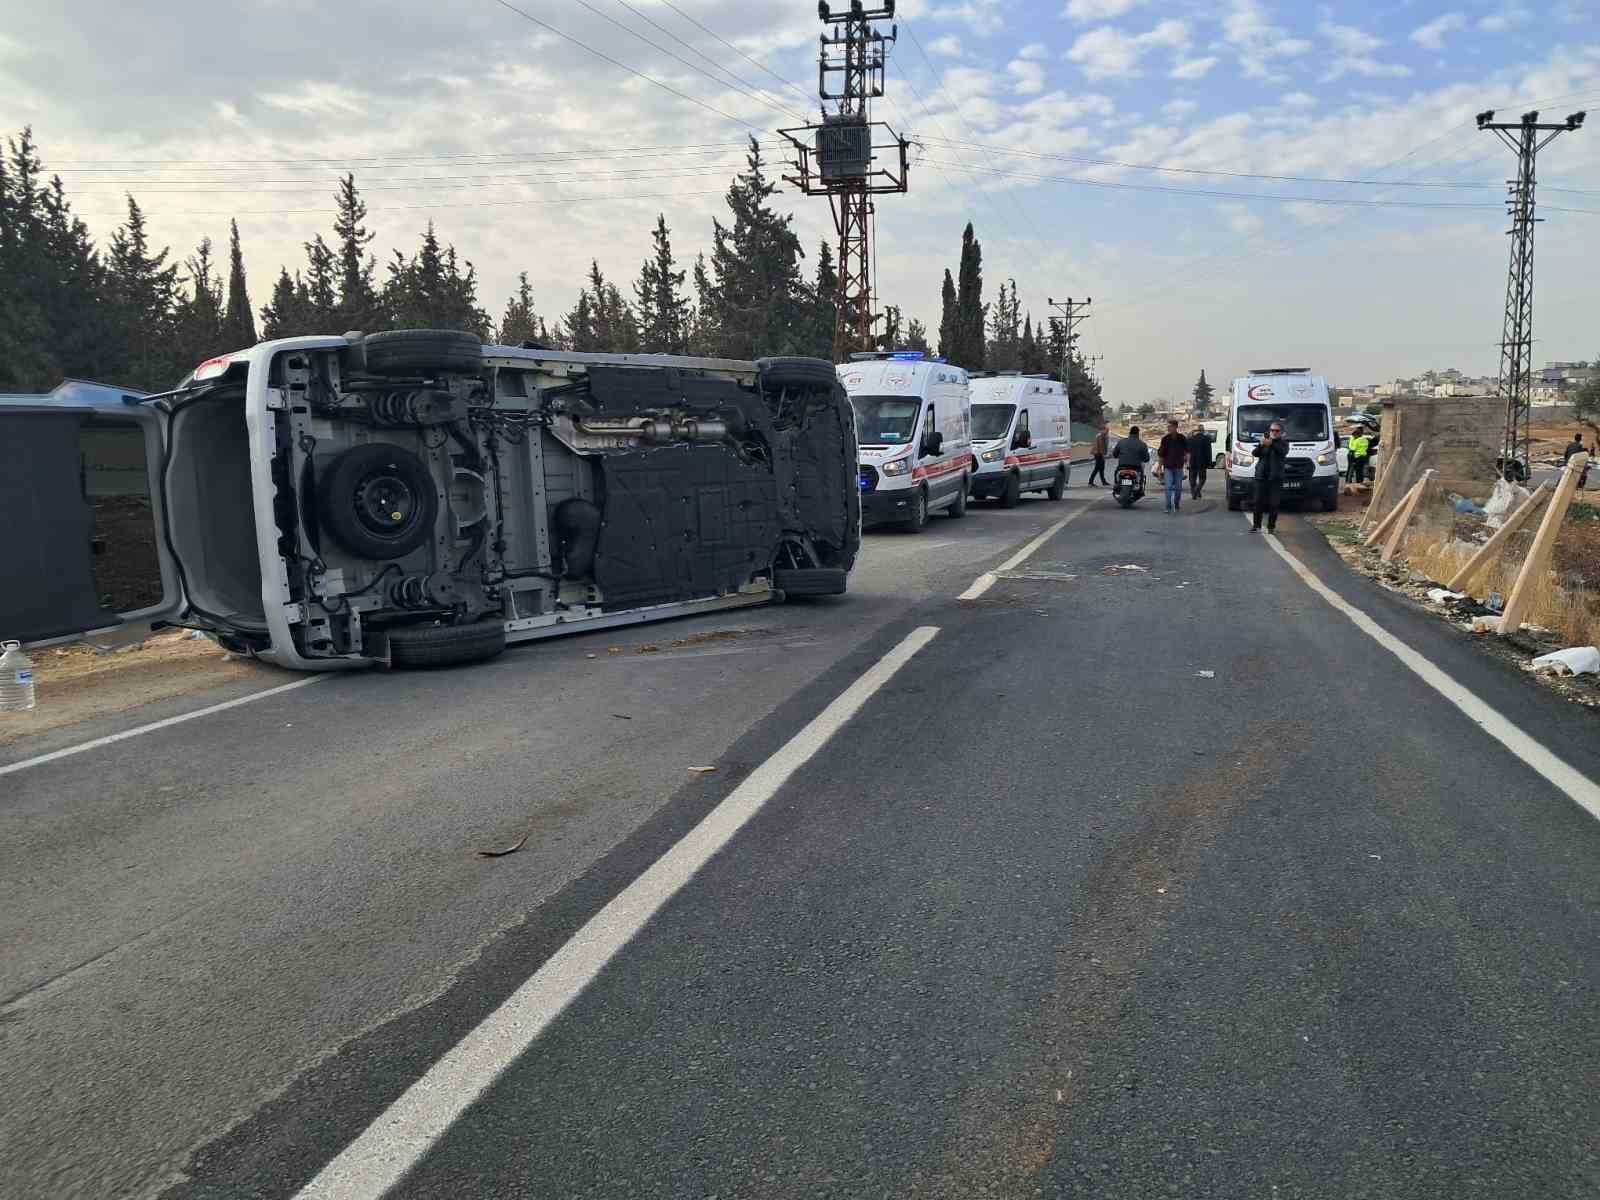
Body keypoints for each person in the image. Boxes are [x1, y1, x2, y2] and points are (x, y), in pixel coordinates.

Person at [1250, 421, 1289, 533]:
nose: (1274, 432)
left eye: (1276, 431)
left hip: (1275, 478)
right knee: (1257, 502)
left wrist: (1271, 444)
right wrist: (1262, 445)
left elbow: (1283, 452)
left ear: (1281, 432)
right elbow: (1255, 453)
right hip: (1261, 477)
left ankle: (1271, 527)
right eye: (1272, 430)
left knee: (1274, 504)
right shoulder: (1264, 442)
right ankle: (1256, 525)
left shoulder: (1283, 443)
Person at [1157, 418, 1188, 512]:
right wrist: (1159, 467)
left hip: (1179, 467)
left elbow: (1187, 452)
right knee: (1168, 487)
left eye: (1170, 426)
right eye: (1168, 426)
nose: (1168, 428)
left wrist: (1187, 463)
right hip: (1168, 467)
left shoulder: (1182, 438)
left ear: (1175, 427)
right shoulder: (1165, 439)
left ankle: (1177, 503)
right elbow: (1161, 454)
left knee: (1178, 488)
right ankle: (1168, 506)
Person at [1186, 423, 1213, 500]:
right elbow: (1209, 452)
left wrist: (1187, 462)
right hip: (1202, 462)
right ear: (1203, 430)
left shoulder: (1190, 439)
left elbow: (1187, 451)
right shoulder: (1207, 439)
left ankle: (1194, 492)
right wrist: (1209, 463)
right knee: (1202, 478)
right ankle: (1197, 491)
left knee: (1192, 478)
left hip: (1192, 461)